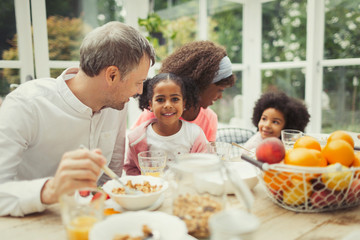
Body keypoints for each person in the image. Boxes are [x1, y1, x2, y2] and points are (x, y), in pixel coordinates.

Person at [0, 21, 155, 216]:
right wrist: (50, 190)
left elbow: (110, 177)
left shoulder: (116, 104)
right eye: (138, 82)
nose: (139, 92)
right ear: (112, 75)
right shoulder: (26, 105)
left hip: (89, 221)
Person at [132, 41, 236, 142]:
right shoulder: (157, 113)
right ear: (201, 85)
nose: (220, 96)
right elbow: (134, 148)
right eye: (219, 90)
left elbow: (209, 156)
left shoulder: (209, 119)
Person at [124, 73, 208, 175]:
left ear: (184, 103)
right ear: (151, 105)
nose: (168, 105)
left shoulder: (195, 135)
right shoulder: (137, 138)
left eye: (175, 99)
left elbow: (205, 168)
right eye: (160, 100)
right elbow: (131, 169)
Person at [244, 91, 310, 152]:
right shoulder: (253, 147)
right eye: (264, 119)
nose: (267, 125)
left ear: (287, 126)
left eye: (275, 122)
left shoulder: (288, 145)